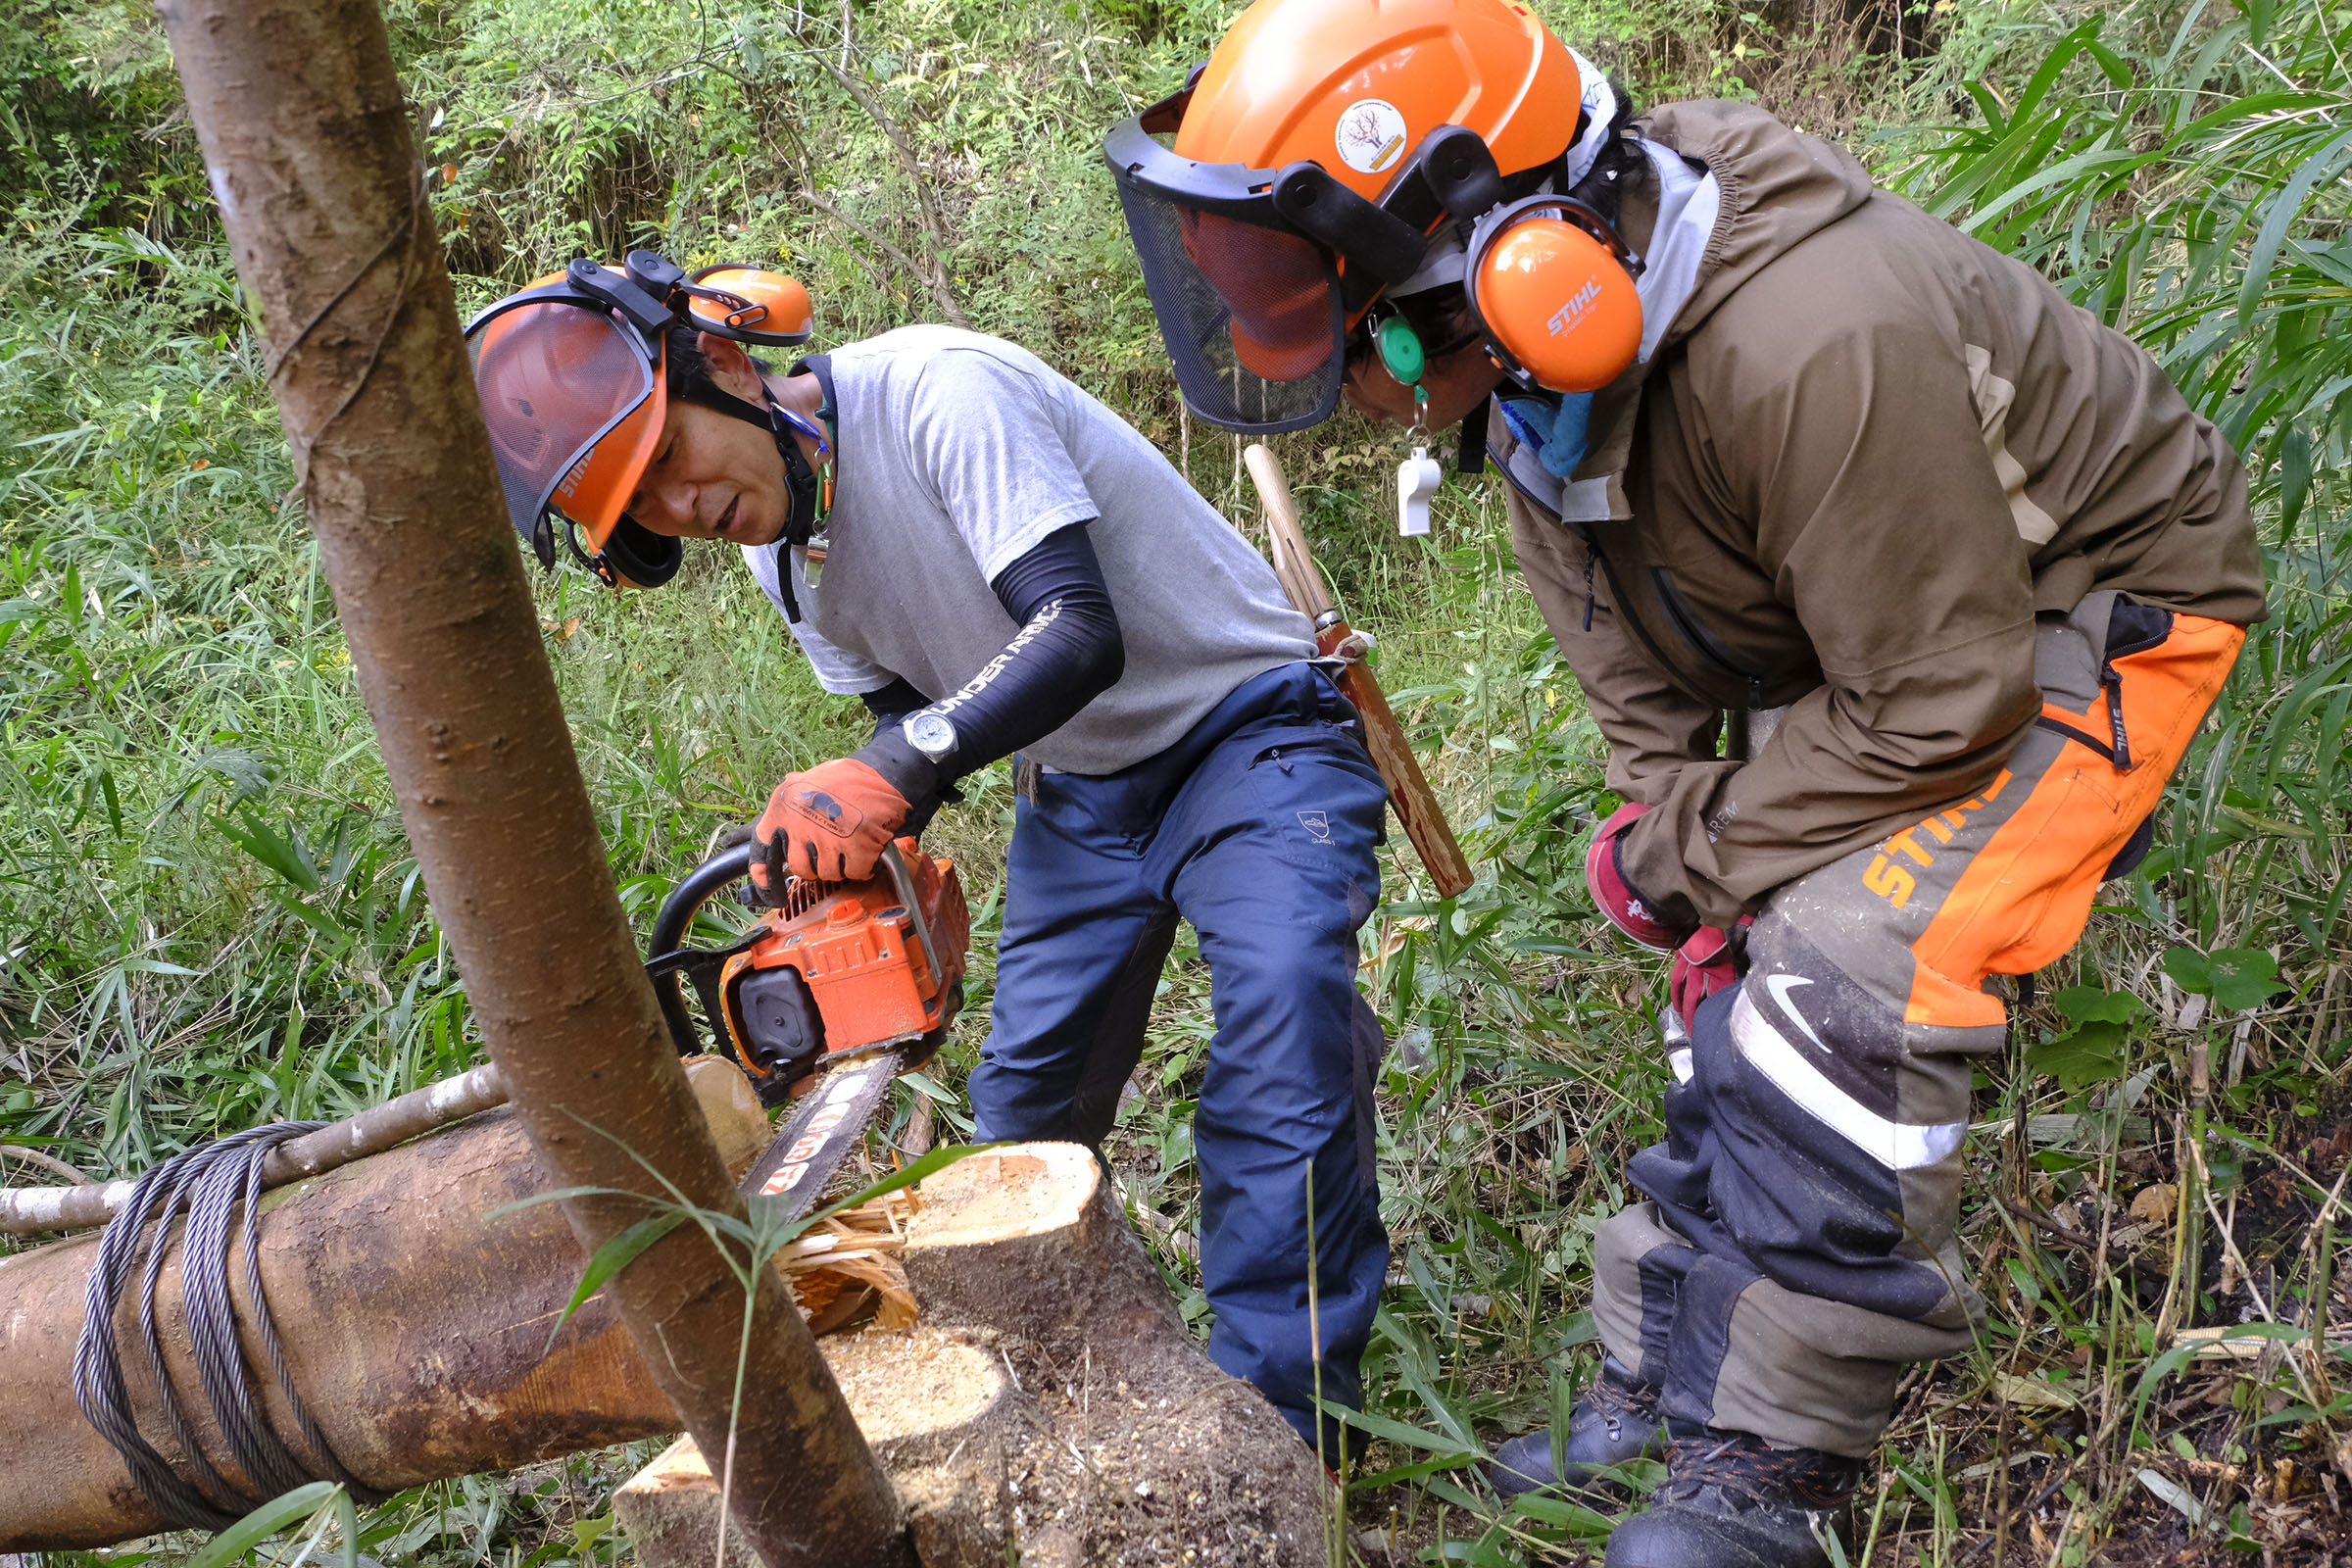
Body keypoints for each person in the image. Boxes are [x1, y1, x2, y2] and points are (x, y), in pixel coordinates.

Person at [1102, 0, 2266, 1562]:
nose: (1330, 358)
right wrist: (1683, 855)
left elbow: (1944, 699)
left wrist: (1715, 858)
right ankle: (1662, 1368)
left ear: (1485, 258)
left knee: (1849, 965)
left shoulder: (1810, 333)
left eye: (1336, 309)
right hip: (1884, 649)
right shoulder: (1536, 390)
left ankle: (1769, 1456)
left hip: (2092, 617)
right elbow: (1633, 680)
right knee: (1725, 972)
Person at [463, 253, 1392, 1457]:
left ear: (730, 367)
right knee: (1019, 1125)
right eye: (636, 511)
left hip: (1249, 728)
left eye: (667, 461)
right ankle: (1038, 1404)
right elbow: (914, 714)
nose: (676, 508)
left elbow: (1074, 629)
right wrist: (859, 833)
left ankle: (1285, 1439)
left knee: (1281, 1023)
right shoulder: (783, 560)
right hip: (1077, 789)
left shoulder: (941, 391)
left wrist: (901, 768)